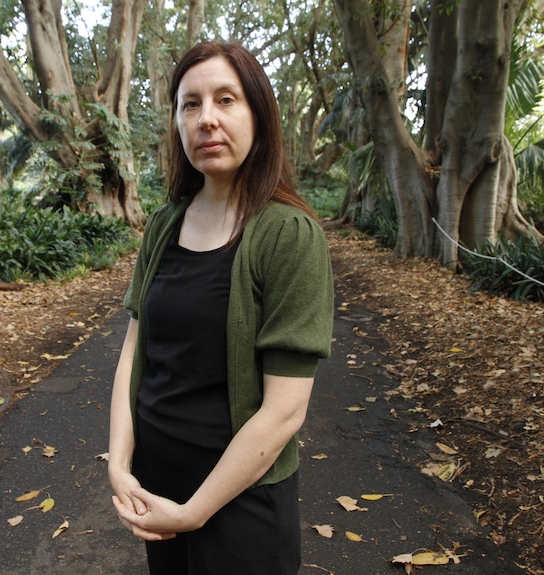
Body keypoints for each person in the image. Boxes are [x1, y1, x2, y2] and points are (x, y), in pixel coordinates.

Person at [108, 41, 334, 575]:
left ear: (259, 116)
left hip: (240, 502)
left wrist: (193, 513)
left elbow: (285, 410)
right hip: (156, 486)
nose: (206, 119)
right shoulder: (163, 225)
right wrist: (119, 464)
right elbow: (134, 350)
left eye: (226, 100)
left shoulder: (288, 235)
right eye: (191, 104)